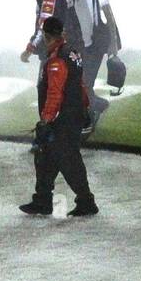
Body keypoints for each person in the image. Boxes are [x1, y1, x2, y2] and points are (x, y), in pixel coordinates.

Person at [20, 16, 97, 217]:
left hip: (62, 118)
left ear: (46, 36)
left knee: (68, 159)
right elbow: (80, 84)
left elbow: (55, 92)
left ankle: (86, 201)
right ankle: (42, 200)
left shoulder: (56, 60)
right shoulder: (72, 53)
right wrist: (85, 106)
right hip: (73, 113)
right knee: (46, 157)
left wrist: (46, 119)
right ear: (61, 33)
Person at [67, 0, 121, 132]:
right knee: (79, 84)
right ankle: (99, 105)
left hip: (95, 45)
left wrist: (113, 47)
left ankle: (89, 120)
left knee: (84, 83)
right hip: (80, 45)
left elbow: (110, 17)